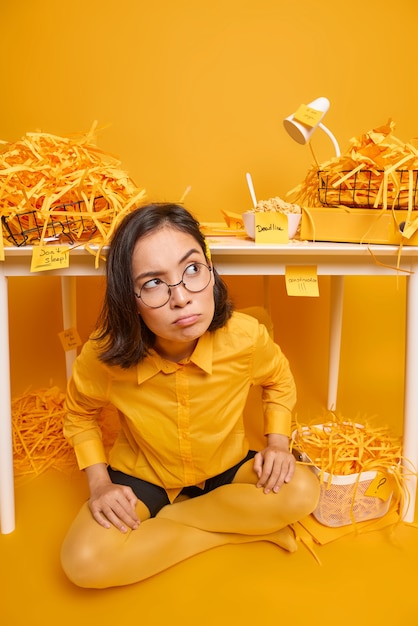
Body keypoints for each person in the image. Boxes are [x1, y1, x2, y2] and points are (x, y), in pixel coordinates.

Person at [60, 202, 319, 588]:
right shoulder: (103, 355)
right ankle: (242, 531)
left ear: (210, 269)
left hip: (226, 468)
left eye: (192, 269)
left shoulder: (245, 337)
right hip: (143, 476)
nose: (181, 297)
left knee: (303, 490)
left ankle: (171, 527)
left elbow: (278, 379)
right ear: (127, 299)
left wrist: (278, 443)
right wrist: (100, 484)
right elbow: (80, 415)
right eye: (152, 283)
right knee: (82, 563)